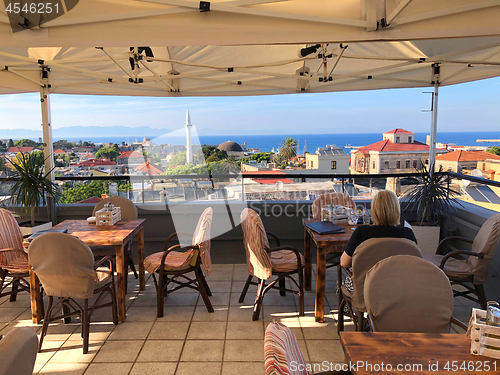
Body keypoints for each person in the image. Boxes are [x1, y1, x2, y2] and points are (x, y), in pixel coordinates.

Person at [340, 189, 417, 268]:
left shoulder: (362, 233)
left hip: (366, 279)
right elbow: (416, 262)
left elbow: (344, 263)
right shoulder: (407, 234)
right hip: (399, 279)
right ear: (397, 210)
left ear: (374, 210)